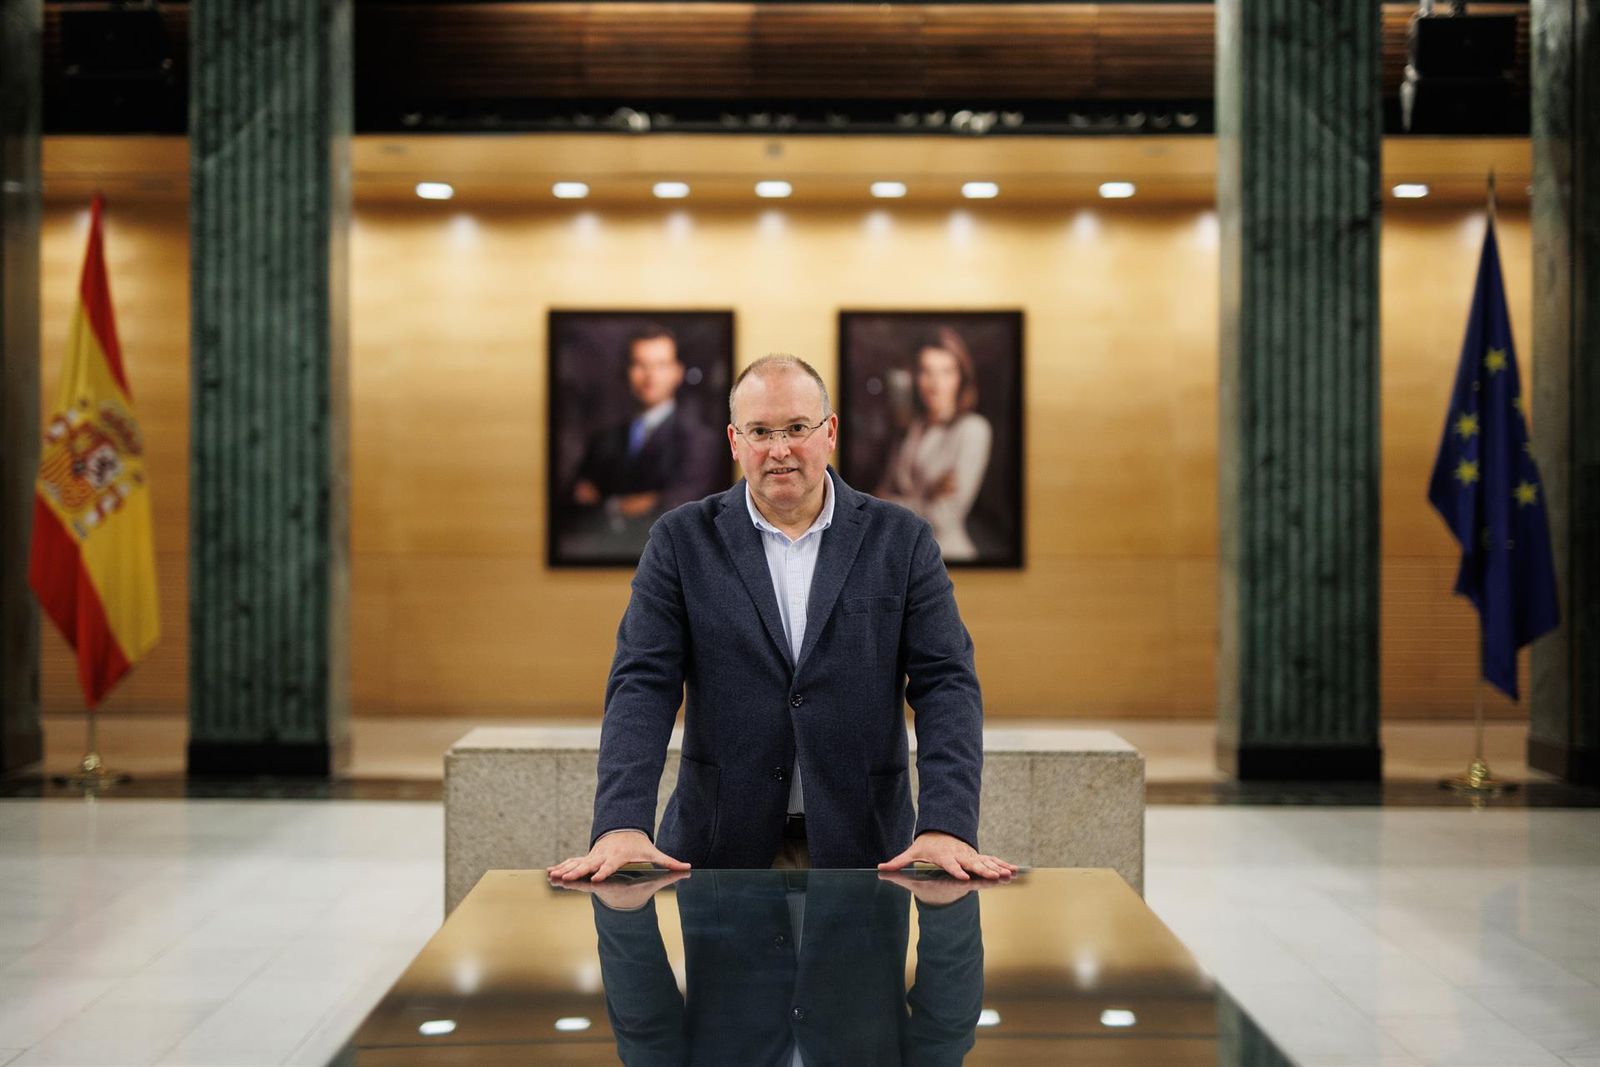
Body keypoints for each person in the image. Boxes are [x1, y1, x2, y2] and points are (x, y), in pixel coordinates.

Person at [548, 354, 1015, 882]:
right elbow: (642, 684)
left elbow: (946, 683)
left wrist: (947, 824)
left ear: (829, 431)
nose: (779, 449)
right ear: (733, 441)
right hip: (719, 848)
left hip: (866, 849)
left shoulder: (901, 540)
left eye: (796, 428)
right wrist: (622, 822)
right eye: (759, 431)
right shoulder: (680, 541)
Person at [563, 325, 725, 557]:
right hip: (602, 554)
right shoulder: (604, 439)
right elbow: (576, 502)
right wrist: (641, 503)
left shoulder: (698, 440)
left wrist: (609, 505)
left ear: (677, 372)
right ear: (626, 371)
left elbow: (677, 509)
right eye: (640, 364)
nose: (650, 376)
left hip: (670, 560)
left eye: (660, 365)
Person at [875, 328, 993, 562]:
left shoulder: (972, 430)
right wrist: (927, 495)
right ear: (916, 377)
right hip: (904, 559)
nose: (935, 383)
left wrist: (896, 501)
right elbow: (877, 497)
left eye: (946, 372)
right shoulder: (912, 428)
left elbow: (943, 517)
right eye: (926, 372)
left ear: (961, 377)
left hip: (948, 558)